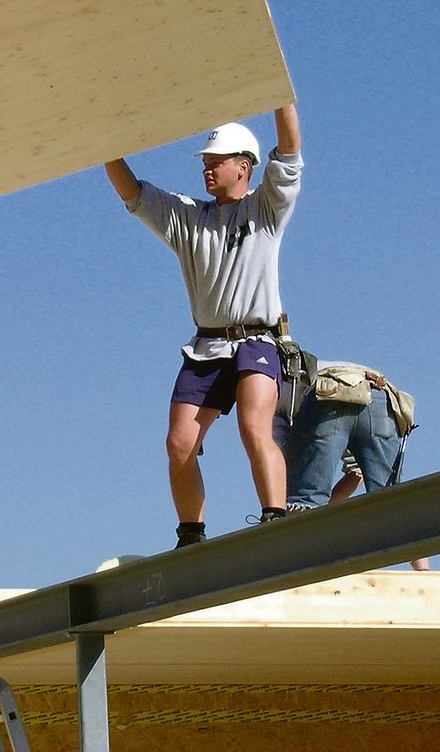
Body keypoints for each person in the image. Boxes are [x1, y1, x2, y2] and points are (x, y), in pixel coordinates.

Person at [105, 105, 302, 548]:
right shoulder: (189, 218)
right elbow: (132, 192)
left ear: (244, 167)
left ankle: (276, 522)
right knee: (179, 444)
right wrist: (105, 148)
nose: (207, 170)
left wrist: (281, 98)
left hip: (257, 340)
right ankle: (190, 536)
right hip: (206, 348)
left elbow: (290, 151)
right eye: (206, 164)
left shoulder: (266, 208)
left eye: (216, 162)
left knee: (254, 427)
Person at [282, 361, 430, 570]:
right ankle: (424, 571)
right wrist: (327, 508)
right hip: (380, 395)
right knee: (392, 498)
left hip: (326, 392)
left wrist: (309, 508)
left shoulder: (279, 391)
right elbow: (357, 474)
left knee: (305, 498)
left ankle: (295, 568)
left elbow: (274, 457)